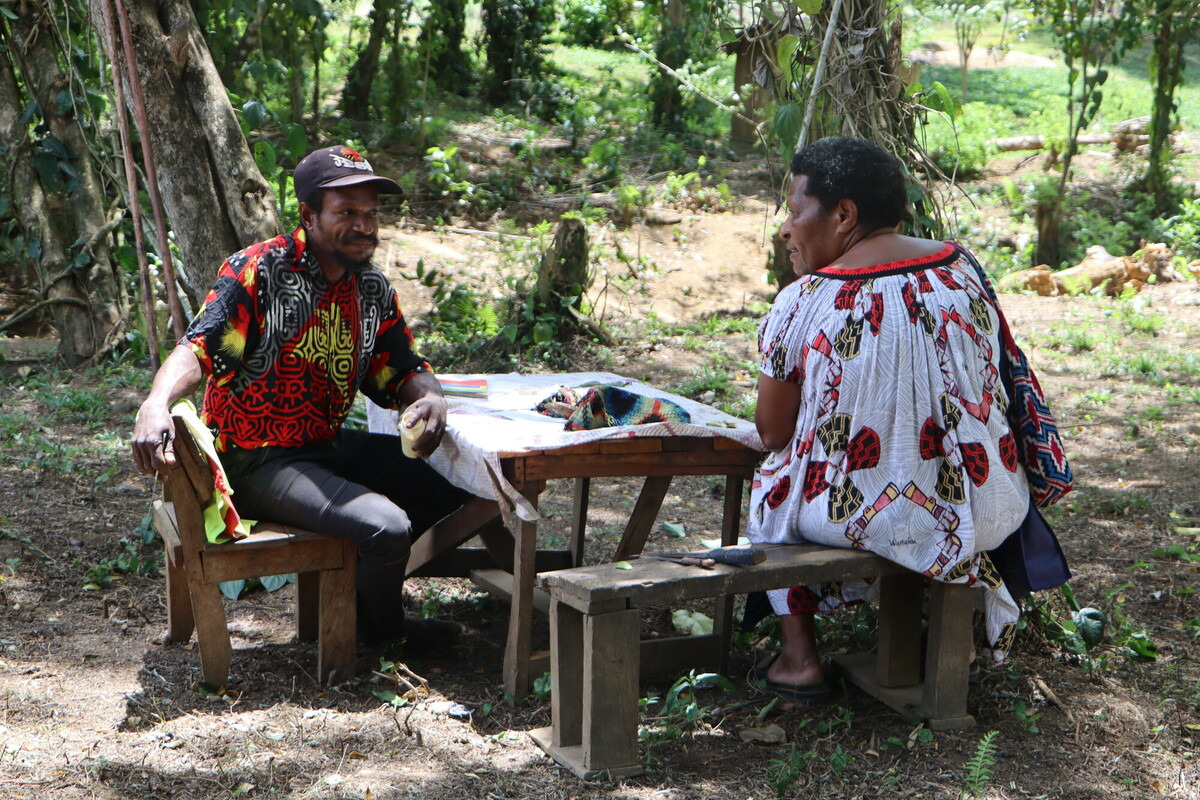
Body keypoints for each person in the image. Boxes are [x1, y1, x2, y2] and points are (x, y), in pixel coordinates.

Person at [132, 144, 480, 651]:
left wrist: (430, 397)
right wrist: (155, 401)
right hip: (255, 459)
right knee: (386, 527)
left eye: (371, 214)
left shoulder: (372, 291)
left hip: (324, 446)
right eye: (346, 213)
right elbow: (200, 349)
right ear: (309, 215)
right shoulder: (260, 272)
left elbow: (402, 368)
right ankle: (386, 635)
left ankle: (358, 598)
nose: (364, 226)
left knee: (456, 475)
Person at [748, 137, 1029, 703]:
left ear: (844, 215)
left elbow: (773, 432)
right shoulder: (963, 267)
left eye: (794, 209)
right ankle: (952, 640)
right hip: (985, 501)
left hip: (863, 517)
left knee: (773, 477)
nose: (785, 228)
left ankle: (799, 658)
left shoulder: (802, 302)